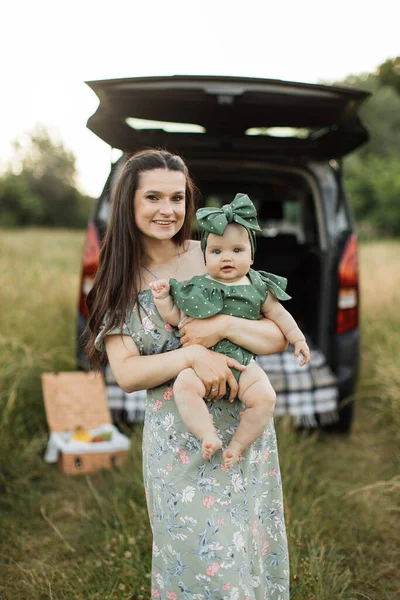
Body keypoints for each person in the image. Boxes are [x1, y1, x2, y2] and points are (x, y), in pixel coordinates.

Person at [86, 149, 290, 599]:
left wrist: (223, 326)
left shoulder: (214, 253)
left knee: (245, 550)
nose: (167, 210)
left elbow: (276, 336)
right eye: (153, 197)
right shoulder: (117, 280)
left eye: (177, 198)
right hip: (179, 441)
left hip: (243, 435)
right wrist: (193, 357)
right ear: (129, 204)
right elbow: (128, 373)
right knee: (197, 557)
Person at [149, 193, 311, 470]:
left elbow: (280, 316)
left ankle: (237, 444)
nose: (227, 258)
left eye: (237, 251)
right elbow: (178, 319)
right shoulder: (197, 286)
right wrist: (163, 300)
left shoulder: (259, 286)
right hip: (203, 363)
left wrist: (297, 339)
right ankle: (207, 435)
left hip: (244, 365)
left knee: (265, 398)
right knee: (184, 386)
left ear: (251, 256)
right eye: (217, 251)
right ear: (205, 256)